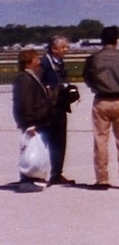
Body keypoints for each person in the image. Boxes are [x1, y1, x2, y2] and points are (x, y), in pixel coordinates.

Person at [82, 26, 119, 189]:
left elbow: (87, 77)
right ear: (116, 40)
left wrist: (96, 87)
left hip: (102, 100)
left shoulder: (94, 58)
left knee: (100, 141)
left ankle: (102, 179)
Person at [39, 35, 78, 185]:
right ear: (54, 49)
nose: (66, 50)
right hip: (47, 108)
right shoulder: (43, 63)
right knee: (44, 141)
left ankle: (57, 173)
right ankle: (39, 173)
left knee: (60, 141)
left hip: (60, 106)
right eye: (63, 47)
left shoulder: (60, 63)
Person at [14, 49, 55, 185]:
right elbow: (26, 102)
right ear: (29, 61)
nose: (39, 61)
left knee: (37, 150)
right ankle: (28, 177)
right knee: (31, 151)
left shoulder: (33, 76)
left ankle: (34, 175)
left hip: (40, 120)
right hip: (33, 121)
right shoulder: (24, 79)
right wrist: (29, 123)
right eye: (36, 59)